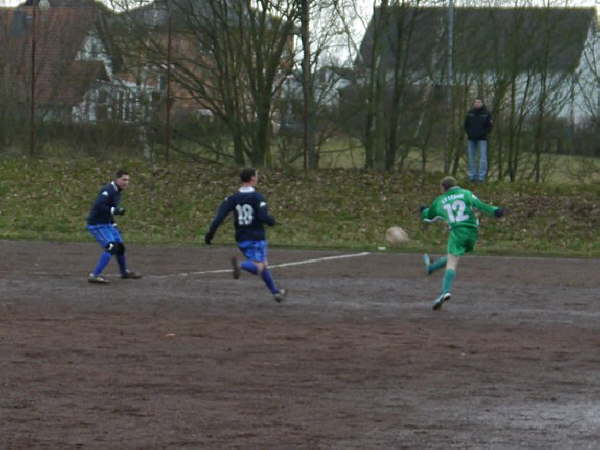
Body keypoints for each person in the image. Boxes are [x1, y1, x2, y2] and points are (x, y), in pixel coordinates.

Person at [420, 176, 504, 310]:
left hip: (457, 232)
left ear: (443, 188)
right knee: (454, 254)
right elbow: (480, 205)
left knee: (452, 262)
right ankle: (432, 268)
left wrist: (423, 210)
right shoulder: (465, 193)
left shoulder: (440, 200)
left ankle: (445, 291)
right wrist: (495, 211)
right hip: (472, 233)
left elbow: (429, 216)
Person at [204, 168, 286, 303]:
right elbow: (262, 216)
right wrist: (271, 222)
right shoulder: (258, 197)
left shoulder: (232, 198)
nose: (258, 178)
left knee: (263, 264)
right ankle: (240, 265)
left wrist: (209, 235)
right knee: (258, 266)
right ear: (252, 178)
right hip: (256, 237)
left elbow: (218, 218)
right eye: (257, 176)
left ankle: (276, 293)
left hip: (241, 238)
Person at [86, 169, 142, 284]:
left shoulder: (117, 191)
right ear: (116, 179)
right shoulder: (108, 190)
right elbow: (98, 206)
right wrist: (114, 210)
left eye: (128, 180)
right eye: (124, 179)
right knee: (112, 247)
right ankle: (94, 275)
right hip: (97, 224)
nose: (126, 182)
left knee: (120, 247)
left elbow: (109, 210)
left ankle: (124, 272)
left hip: (107, 224)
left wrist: (113, 223)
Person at [464, 98, 493, 182]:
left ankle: (481, 178)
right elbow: (466, 125)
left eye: (479, 102)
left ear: (482, 103)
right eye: (475, 102)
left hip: (482, 139)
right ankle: (472, 176)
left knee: (483, 158)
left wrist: (484, 133)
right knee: (471, 158)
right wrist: (469, 133)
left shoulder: (487, 114)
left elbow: (490, 126)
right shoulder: (470, 113)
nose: (477, 103)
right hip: (471, 139)